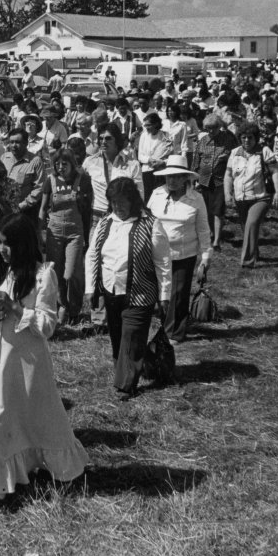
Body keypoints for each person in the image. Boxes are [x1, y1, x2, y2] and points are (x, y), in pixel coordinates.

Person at [0, 214, 89, 498]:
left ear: (22, 244)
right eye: (0, 244)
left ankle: (56, 466)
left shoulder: (43, 274)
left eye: (8, 244)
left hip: (31, 358)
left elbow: (47, 326)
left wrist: (16, 309)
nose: (3, 250)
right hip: (1, 354)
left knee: (39, 412)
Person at [85, 178, 165, 401]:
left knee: (131, 337)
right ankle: (139, 363)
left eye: (122, 202)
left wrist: (164, 295)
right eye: (113, 202)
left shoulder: (150, 224)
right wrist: (91, 288)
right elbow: (92, 255)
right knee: (118, 337)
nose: (117, 207)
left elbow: (163, 262)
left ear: (133, 200)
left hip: (140, 292)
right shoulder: (105, 223)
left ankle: (124, 385)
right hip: (111, 292)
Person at [149, 155, 211, 341]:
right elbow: (146, 220)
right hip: (157, 253)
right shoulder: (157, 194)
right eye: (169, 176)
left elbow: (203, 229)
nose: (172, 180)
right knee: (158, 291)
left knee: (178, 294)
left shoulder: (196, 199)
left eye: (177, 176)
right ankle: (161, 324)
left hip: (184, 254)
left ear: (185, 178)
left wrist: (206, 256)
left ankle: (175, 333)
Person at [224, 123, 278, 269]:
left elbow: (275, 171)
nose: (247, 141)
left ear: (255, 138)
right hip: (241, 198)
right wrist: (227, 193)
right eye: (243, 138)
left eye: (250, 138)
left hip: (261, 197)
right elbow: (229, 175)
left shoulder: (264, 151)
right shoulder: (234, 153)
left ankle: (247, 262)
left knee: (252, 223)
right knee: (247, 227)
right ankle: (254, 252)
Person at [40, 150, 87, 327]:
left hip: (75, 231)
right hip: (55, 230)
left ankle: (75, 308)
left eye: (64, 164)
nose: (60, 168)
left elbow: (86, 208)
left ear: (72, 164)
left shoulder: (81, 180)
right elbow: (43, 209)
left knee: (72, 272)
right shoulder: (50, 181)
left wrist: (87, 234)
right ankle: (62, 307)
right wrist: (40, 232)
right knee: (55, 272)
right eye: (57, 164)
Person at [190, 114, 234, 250]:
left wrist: (227, 156)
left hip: (221, 180)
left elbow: (236, 155)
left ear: (219, 127)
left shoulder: (228, 139)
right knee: (207, 210)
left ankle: (216, 241)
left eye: (213, 128)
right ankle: (210, 234)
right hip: (204, 180)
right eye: (207, 129)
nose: (210, 131)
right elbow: (196, 159)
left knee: (218, 210)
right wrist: (192, 178)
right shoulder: (203, 140)